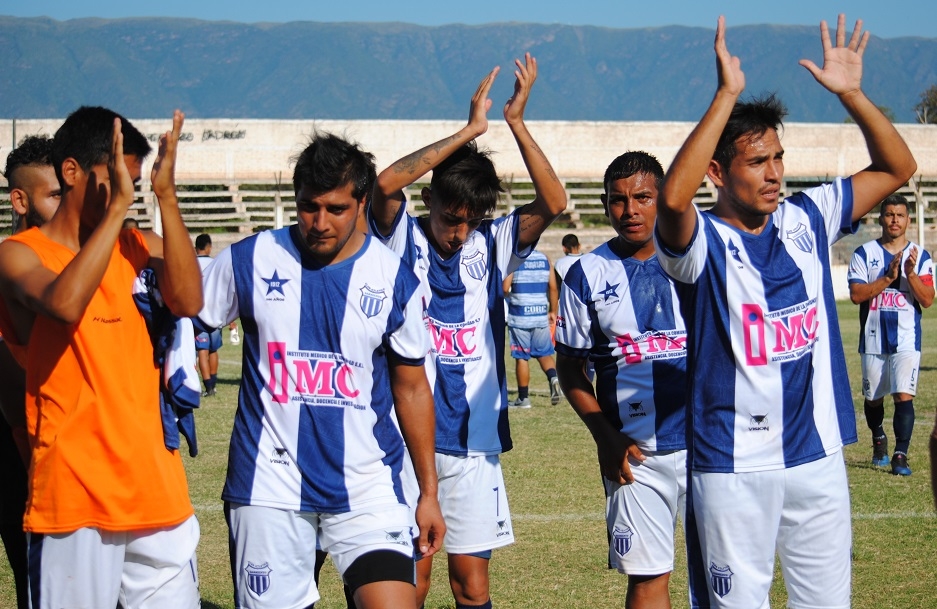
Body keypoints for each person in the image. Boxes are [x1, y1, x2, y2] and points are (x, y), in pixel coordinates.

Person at [653, 15, 917, 608]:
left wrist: (852, 95)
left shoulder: (807, 216)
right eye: (756, 162)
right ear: (717, 173)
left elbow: (897, 168)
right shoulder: (701, 242)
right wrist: (726, 95)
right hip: (732, 465)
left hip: (816, 458)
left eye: (778, 156)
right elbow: (672, 199)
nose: (774, 173)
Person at [198, 132, 445, 609]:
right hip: (267, 487)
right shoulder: (250, 259)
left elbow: (413, 389)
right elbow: (188, 310)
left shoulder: (395, 279)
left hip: (368, 486)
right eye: (308, 207)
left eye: (336, 208)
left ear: (361, 203)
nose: (320, 222)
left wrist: (428, 493)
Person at [369, 53, 567, 609]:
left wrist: (515, 123)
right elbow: (385, 183)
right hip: (407, 439)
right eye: (449, 218)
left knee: (471, 585)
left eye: (469, 221)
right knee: (413, 581)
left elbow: (554, 201)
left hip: (475, 444)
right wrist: (470, 131)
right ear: (427, 201)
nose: (459, 232)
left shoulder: (492, 243)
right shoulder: (400, 237)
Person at [0, 106, 204, 608]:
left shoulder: (139, 244)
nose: (126, 191)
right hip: (74, 496)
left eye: (132, 180)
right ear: (71, 172)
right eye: (115, 179)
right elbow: (64, 303)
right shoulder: (19, 253)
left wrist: (166, 196)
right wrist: (117, 212)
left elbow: (189, 301)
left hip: (157, 490)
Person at [556, 151, 686, 609]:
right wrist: (605, 436)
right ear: (605, 204)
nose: (630, 210)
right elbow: (570, 367)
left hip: (710, 445)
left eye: (643, 197)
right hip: (635, 455)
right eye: (618, 200)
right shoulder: (585, 275)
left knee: (724, 575)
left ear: (663, 198)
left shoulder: (698, 260)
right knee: (648, 580)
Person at [0, 134, 61, 609]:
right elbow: (12, 389)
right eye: (55, 194)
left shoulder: (68, 261)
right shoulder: (12, 263)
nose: (68, 204)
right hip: (20, 450)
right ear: (20, 201)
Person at [847, 194, 934, 476]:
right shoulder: (864, 254)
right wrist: (887, 278)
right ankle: (878, 438)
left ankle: (900, 455)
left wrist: (910, 274)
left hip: (907, 338)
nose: (894, 220)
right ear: (881, 218)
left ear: (908, 220)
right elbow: (856, 295)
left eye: (900, 215)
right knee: (873, 398)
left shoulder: (921, 257)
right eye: (889, 214)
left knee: (903, 396)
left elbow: (927, 299)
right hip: (873, 339)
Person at [503, 248, 561, 408]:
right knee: (544, 353)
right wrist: (553, 311)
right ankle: (554, 378)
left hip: (520, 315)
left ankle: (523, 398)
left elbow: (505, 288)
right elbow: (553, 287)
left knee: (521, 356)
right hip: (540, 314)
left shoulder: (515, 259)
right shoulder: (544, 258)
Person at [194, 232, 223, 396]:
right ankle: (213, 383)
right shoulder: (216, 263)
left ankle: (208, 387)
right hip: (215, 311)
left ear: (196, 248)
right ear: (209, 247)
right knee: (213, 349)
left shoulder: (191, 263)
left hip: (198, 313)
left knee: (202, 350)